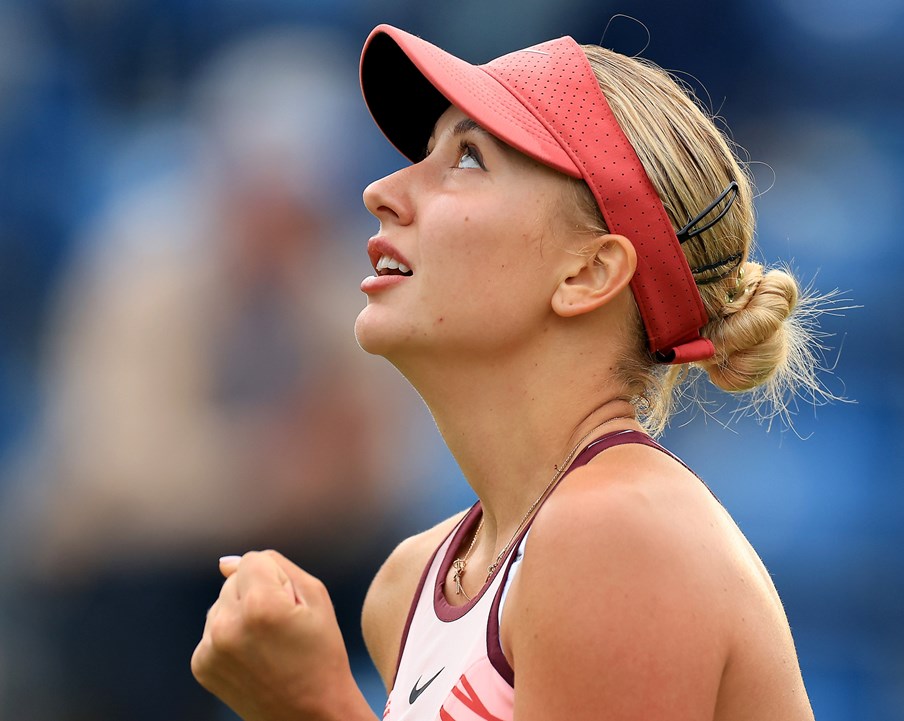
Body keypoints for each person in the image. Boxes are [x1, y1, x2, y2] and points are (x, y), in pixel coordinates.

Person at [192, 23, 826, 721]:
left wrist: (307, 706)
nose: (380, 190)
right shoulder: (405, 586)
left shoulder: (619, 534)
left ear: (589, 272)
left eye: (467, 159)